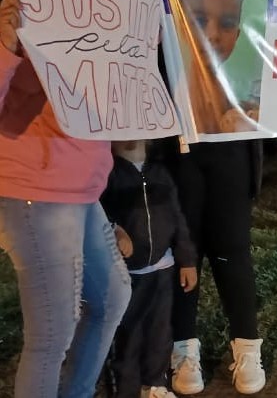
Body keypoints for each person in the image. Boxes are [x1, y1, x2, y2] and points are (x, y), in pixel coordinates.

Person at [117, 0, 267, 396]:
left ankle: (247, 347)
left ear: (242, 27)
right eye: (196, 15)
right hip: (175, 162)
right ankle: (185, 349)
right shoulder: (154, 43)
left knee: (234, 254)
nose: (210, 32)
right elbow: (110, 19)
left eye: (227, 22)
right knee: (184, 256)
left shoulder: (250, 82)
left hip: (231, 159)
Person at [0, 0, 132, 398]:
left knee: (112, 298)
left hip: (81, 192)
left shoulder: (80, 33)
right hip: (34, 193)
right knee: (53, 332)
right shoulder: (9, 28)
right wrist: (5, 48)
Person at [102, 140, 198, 398]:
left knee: (160, 331)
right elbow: (96, 214)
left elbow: (177, 217)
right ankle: (127, 389)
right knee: (128, 335)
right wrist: (114, 230)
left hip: (162, 269)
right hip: (125, 275)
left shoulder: (161, 172)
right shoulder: (106, 172)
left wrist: (187, 259)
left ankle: (155, 385)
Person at [178, 0, 258, 134]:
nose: (213, 34)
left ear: (236, 35)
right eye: (199, 21)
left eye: (226, 23)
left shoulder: (230, 94)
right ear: (180, 25)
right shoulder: (169, 93)